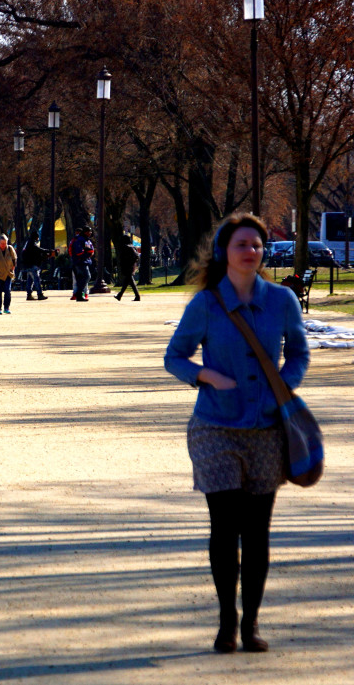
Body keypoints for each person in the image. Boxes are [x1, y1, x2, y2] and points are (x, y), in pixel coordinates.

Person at [164, 213, 309, 654]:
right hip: (215, 425)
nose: (252, 251)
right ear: (224, 251)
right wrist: (205, 375)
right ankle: (227, 622)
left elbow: (299, 352)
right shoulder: (206, 303)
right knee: (225, 526)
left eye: (258, 245)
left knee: (258, 529)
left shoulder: (283, 300)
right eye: (242, 244)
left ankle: (252, 625)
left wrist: (283, 384)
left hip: (266, 426)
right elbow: (175, 356)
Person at [69, 226, 95, 301]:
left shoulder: (87, 240)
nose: (90, 233)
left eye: (90, 231)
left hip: (84, 261)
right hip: (80, 261)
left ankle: (79, 295)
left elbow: (90, 249)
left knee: (81, 278)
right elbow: (79, 252)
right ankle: (79, 293)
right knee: (87, 276)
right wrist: (88, 254)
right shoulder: (80, 240)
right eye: (88, 231)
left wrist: (90, 253)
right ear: (84, 232)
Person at [115, 235, 141, 301]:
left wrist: (129, 262)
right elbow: (137, 256)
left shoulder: (126, 247)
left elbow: (134, 256)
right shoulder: (132, 246)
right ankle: (120, 295)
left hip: (128, 266)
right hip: (131, 266)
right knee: (128, 282)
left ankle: (137, 296)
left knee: (129, 281)